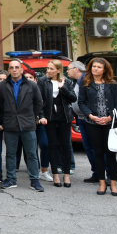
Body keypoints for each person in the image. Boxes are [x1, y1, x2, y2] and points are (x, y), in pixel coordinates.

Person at [78, 57, 117, 196]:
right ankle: (102, 183)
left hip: (109, 123)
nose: (95, 69)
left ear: (104, 70)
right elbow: (81, 102)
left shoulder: (112, 84)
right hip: (92, 123)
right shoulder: (85, 83)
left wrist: (110, 117)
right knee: (98, 153)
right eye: (94, 66)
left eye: (99, 67)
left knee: (111, 153)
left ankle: (113, 183)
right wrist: (91, 116)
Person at [0, 59, 46, 192]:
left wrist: (30, 116)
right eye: (11, 67)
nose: (14, 70)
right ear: (9, 70)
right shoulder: (2, 86)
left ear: (21, 70)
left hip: (28, 124)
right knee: (11, 154)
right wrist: (4, 119)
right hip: (10, 124)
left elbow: (38, 103)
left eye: (17, 67)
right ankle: (11, 179)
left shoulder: (31, 85)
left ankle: (34, 180)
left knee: (31, 154)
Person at [43, 59, 77, 188]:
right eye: (48, 68)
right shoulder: (43, 81)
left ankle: (67, 174)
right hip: (50, 117)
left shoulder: (66, 81)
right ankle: (55, 174)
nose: (49, 71)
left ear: (58, 70)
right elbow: (40, 100)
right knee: (52, 145)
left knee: (66, 145)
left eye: (51, 69)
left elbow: (73, 98)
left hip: (64, 117)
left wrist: (63, 88)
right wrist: (41, 116)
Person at [68, 61, 99, 183]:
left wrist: (90, 115)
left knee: (95, 147)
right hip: (81, 118)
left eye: (69, 69)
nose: (67, 71)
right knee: (88, 147)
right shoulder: (78, 81)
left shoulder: (86, 80)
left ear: (76, 69)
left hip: (89, 119)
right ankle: (97, 172)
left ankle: (103, 173)